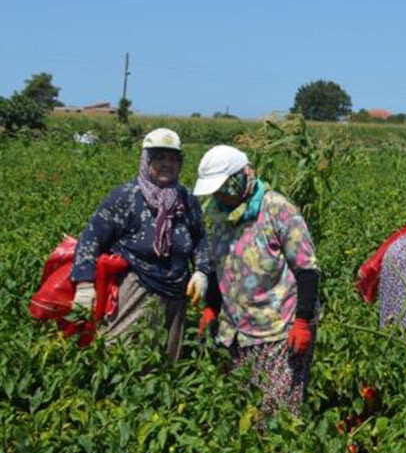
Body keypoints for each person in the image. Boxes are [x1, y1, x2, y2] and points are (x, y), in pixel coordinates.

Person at [193, 145, 320, 418]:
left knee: (276, 415)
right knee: (242, 412)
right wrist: (211, 307)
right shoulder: (219, 216)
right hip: (235, 332)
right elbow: (218, 267)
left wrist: (303, 321)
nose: (220, 195)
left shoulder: (277, 209)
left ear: (244, 174)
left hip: (277, 330)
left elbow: (307, 270)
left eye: (224, 187)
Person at [70, 128, 210, 359]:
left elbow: (200, 239)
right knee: (120, 353)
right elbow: (91, 238)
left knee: (165, 359)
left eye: (173, 159)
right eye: (159, 158)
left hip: (176, 291)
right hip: (135, 286)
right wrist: (84, 284)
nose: (167, 164)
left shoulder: (186, 199)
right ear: (146, 161)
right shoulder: (126, 196)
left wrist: (202, 271)